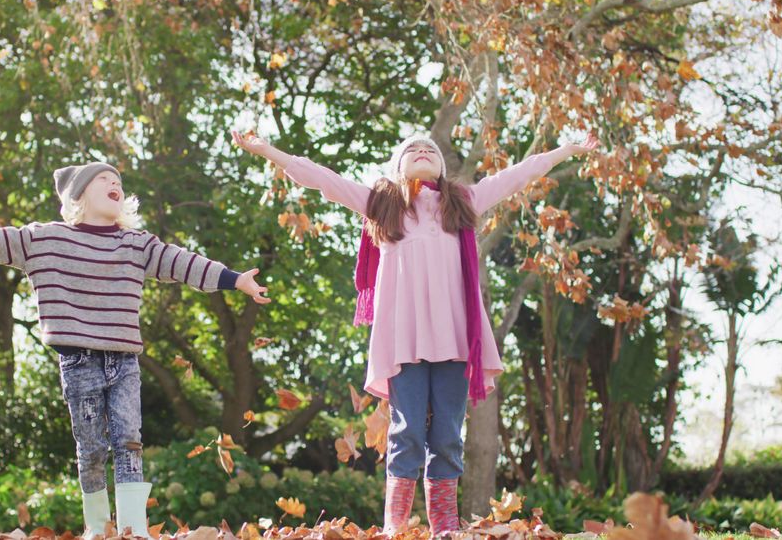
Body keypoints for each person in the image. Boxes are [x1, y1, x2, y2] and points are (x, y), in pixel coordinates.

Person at [232, 130, 598, 536]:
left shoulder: (463, 202)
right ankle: (395, 526)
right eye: (413, 150)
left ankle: (444, 525)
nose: (423, 152)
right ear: (398, 165)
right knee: (406, 432)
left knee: (446, 435)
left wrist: (567, 150)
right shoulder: (381, 204)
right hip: (403, 340)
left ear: (442, 168)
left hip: (456, 340)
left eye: (430, 151)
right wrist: (265, 150)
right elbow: (321, 178)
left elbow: (519, 174)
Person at [0, 162, 270, 538]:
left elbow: (182, 262)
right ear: (78, 196)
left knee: (130, 442)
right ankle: (96, 527)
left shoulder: (135, 243)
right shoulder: (44, 239)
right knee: (91, 448)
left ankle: (131, 529)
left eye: (118, 181)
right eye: (104, 180)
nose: (114, 184)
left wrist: (235, 279)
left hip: (124, 361)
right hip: (78, 361)